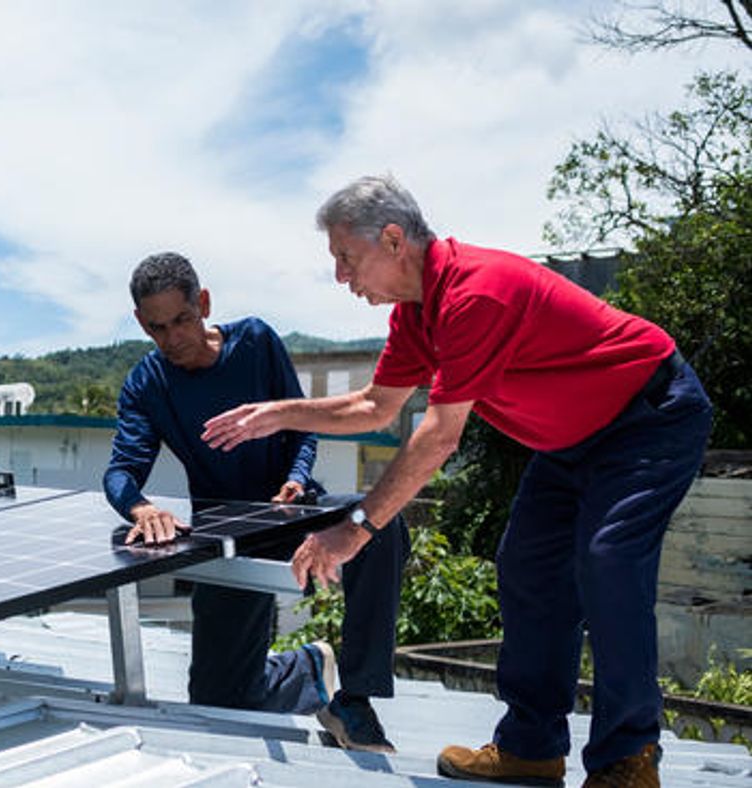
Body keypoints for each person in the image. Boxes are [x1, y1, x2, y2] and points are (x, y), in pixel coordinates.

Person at [202, 175, 712, 787]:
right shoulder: (416, 315)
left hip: (647, 416)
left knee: (607, 562)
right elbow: (376, 407)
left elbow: (440, 436)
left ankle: (628, 759)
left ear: (393, 240)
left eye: (346, 257)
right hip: (571, 442)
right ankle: (531, 747)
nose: (341, 276)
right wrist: (280, 413)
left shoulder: (476, 293)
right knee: (526, 565)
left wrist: (356, 528)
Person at [103, 252, 410, 753]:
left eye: (182, 319)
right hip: (227, 537)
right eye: (158, 328)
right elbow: (120, 473)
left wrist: (295, 477)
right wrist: (141, 508)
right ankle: (308, 667)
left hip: (293, 513)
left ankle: (355, 700)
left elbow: (302, 426)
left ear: (203, 303)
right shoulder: (145, 385)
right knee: (217, 698)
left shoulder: (256, 342)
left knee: (378, 521)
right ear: (141, 323)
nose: (174, 337)